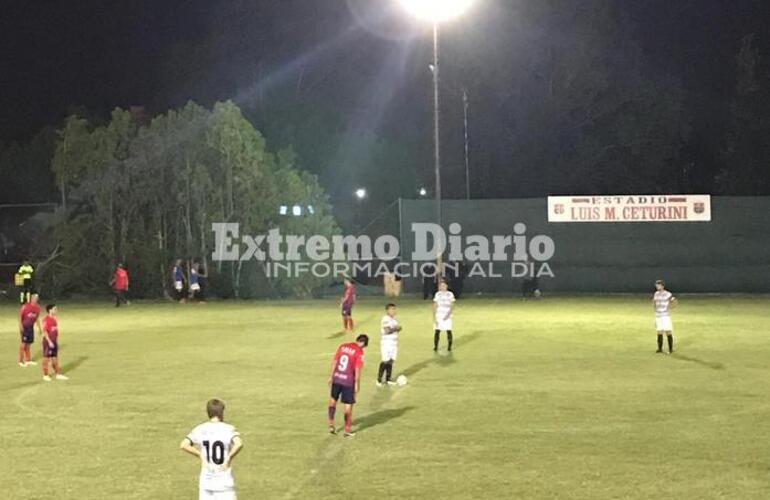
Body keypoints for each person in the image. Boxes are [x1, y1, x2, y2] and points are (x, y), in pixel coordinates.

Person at [181, 399, 243, 500]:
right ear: (221, 412)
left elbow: (184, 445)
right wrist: (228, 458)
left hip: (206, 481)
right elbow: (239, 443)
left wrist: (200, 455)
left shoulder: (200, 429)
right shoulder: (228, 429)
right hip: (224, 481)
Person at [328, 334, 369, 437]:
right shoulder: (359, 352)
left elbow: (335, 361)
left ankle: (331, 424)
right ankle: (347, 430)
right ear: (364, 344)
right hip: (348, 381)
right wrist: (357, 384)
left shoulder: (343, 346)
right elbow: (357, 369)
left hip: (337, 377)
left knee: (333, 400)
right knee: (348, 405)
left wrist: (331, 376)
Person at [41, 304, 68, 381]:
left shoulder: (54, 319)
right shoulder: (46, 319)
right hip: (47, 342)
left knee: (55, 358)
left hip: (54, 342)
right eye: (55, 309)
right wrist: (49, 342)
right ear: (50, 310)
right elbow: (44, 331)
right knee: (46, 358)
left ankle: (58, 374)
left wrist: (55, 342)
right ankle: (45, 375)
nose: (56, 310)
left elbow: (54, 331)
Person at [377, 303, 401, 387]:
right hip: (386, 343)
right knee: (385, 360)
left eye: (394, 309)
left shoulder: (394, 319)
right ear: (387, 310)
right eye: (392, 309)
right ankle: (379, 380)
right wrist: (396, 328)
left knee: (391, 361)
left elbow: (396, 329)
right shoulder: (385, 319)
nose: (394, 311)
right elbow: (387, 331)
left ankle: (388, 379)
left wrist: (397, 329)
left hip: (394, 343)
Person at [653, 279, 677, 353]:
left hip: (665, 315)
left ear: (662, 286)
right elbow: (654, 302)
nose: (657, 287)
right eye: (657, 285)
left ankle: (670, 349)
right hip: (658, 315)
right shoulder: (656, 294)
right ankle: (660, 348)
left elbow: (674, 301)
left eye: (659, 285)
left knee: (668, 331)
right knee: (659, 331)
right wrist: (655, 309)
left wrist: (670, 307)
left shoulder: (667, 294)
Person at [18, 293, 42, 367]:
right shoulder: (25, 306)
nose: (36, 299)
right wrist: (20, 326)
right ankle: (21, 361)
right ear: (31, 298)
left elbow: (37, 318)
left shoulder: (38, 307)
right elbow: (19, 316)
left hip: (30, 327)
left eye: (37, 298)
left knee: (28, 344)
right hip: (25, 327)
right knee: (23, 344)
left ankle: (28, 360)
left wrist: (39, 328)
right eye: (34, 298)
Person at [433, 281, 456, 352]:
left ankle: (449, 347)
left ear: (446, 286)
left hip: (447, 315)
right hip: (439, 315)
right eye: (441, 286)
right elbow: (435, 305)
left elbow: (452, 305)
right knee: (437, 331)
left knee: (448, 331)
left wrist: (448, 315)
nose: (442, 287)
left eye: (444, 285)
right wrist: (434, 316)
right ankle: (436, 346)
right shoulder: (437, 294)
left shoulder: (450, 294)